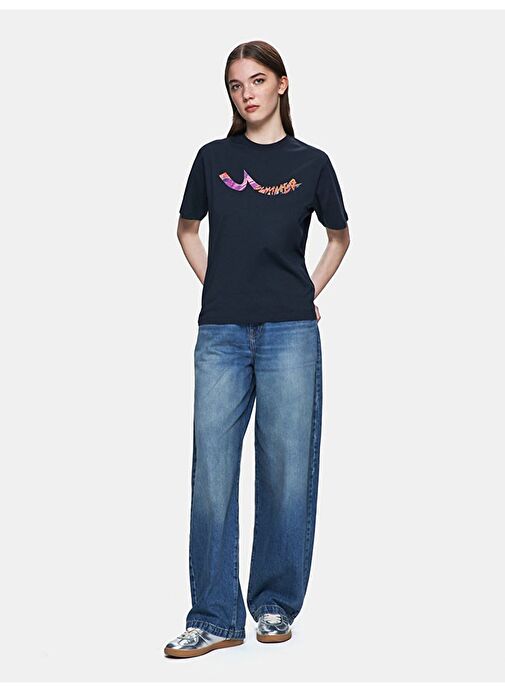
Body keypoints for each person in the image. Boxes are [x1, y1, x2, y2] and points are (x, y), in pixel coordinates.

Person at [164, 40, 350, 659]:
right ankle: (214, 616)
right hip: (220, 333)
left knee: (286, 471)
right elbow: (186, 230)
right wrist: (216, 282)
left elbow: (339, 238)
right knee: (212, 474)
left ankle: (274, 605)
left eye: (258, 80)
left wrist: (308, 291)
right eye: (235, 85)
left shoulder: (312, 163)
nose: (246, 93)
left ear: (282, 84)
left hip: (290, 333)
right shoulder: (213, 158)